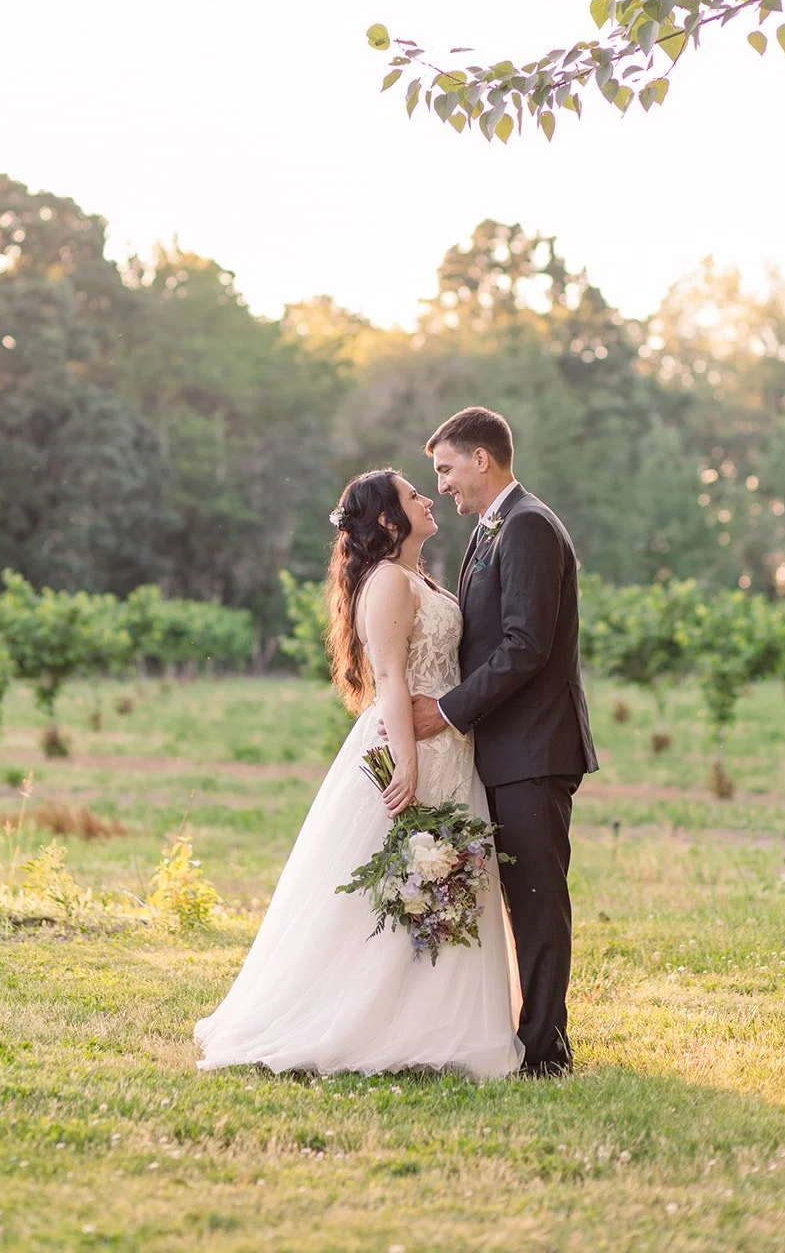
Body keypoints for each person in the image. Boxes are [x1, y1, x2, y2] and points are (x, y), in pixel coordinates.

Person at [194, 468, 523, 1079]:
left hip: (449, 745)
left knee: (444, 879)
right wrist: (407, 762)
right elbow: (392, 678)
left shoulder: (416, 577)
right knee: (401, 876)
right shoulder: (389, 582)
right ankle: (366, 1021)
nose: (428, 499)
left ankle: (436, 1021)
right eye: (413, 496)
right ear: (389, 520)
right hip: (411, 746)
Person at [407, 406, 599, 1078]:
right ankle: (525, 1034)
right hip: (507, 748)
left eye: (446, 468)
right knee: (518, 896)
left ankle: (545, 1051)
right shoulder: (492, 529)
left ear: (480, 459)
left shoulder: (528, 527)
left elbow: (524, 646)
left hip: (535, 749)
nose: (442, 484)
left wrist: (447, 711)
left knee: (538, 901)